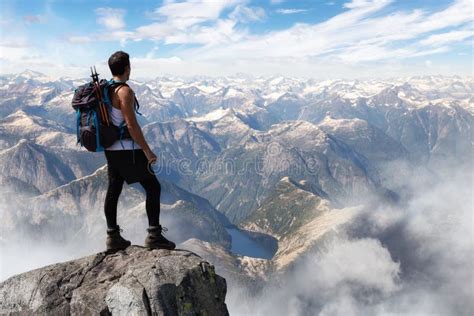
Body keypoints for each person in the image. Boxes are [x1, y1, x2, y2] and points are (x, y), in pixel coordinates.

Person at [103, 50, 175, 251]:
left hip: (110, 148)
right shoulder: (124, 91)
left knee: (114, 189)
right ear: (127, 68)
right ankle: (154, 235)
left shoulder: (106, 89)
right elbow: (132, 125)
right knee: (153, 187)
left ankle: (112, 236)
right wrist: (147, 151)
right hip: (127, 149)